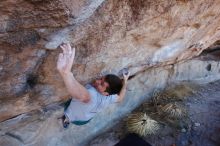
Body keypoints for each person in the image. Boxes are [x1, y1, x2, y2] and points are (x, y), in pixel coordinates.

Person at [57, 43, 130, 128]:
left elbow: (84, 96)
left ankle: (66, 119)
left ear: (106, 93)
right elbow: (120, 98)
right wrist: (125, 81)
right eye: (101, 79)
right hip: (85, 119)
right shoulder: (110, 97)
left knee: (68, 104)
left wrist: (66, 73)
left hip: (74, 117)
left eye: (102, 84)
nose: (97, 81)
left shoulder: (91, 95)